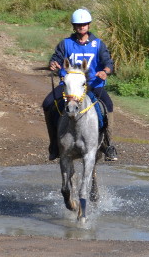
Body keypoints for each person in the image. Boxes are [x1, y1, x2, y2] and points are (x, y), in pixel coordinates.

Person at [42, 8, 119, 162]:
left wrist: (105, 71)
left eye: (84, 24)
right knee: (47, 103)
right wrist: (53, 64)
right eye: (78, 25)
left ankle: (107, 145)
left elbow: (108, 62)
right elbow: (56, 58)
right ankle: (54, 145)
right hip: (70, 86)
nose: (81, 27)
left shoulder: (98, 44)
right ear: (74, 26)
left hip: (93, 85)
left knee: (108, 106)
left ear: (88, 25)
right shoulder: (66, 43)